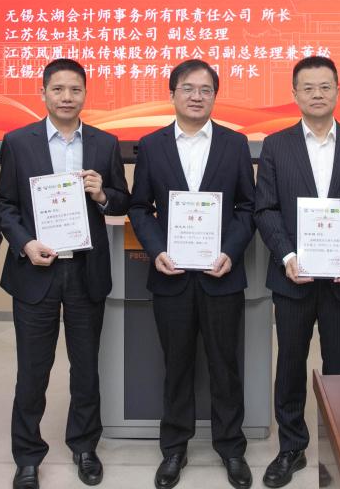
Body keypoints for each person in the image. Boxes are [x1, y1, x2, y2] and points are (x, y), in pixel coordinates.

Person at [0, 59, 130, 489]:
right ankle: (27, 455)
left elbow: (123, 200)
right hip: (37, 269)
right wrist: (25, 243)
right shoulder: (18, 142)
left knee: (86, 368)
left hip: (86, 270)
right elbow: (5, 206)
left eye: (75, 90)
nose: (67, 97)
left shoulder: (105, 143)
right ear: (43, 93)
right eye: (58, 89)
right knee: (32, 370)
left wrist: (103, 194)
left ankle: (85, 446)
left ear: (85, 94)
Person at [254, 56, 340, 488]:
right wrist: (287, 255)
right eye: (307, 88)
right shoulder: (276, 145)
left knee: (339, 366)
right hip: (293, 277)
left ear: (337, 92)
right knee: (290, 364)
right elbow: (265, 208)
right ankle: (291, 448)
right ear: (294, 94)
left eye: (325, 86)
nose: (316, 94)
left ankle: (338, 444)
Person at [128, 59, 256, 489]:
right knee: (177, 364)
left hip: (222, 274)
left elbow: (247, 207)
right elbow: (139, 207)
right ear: (173, 95)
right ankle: (174, 449)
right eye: (188, 88)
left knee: (225, 365)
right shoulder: (152, 145)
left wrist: (230, 252)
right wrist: (157, 250)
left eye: (205, 89)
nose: (197, 96)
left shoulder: (235, 144)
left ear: (215, 96)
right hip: (172, 275)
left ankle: (231, 448)